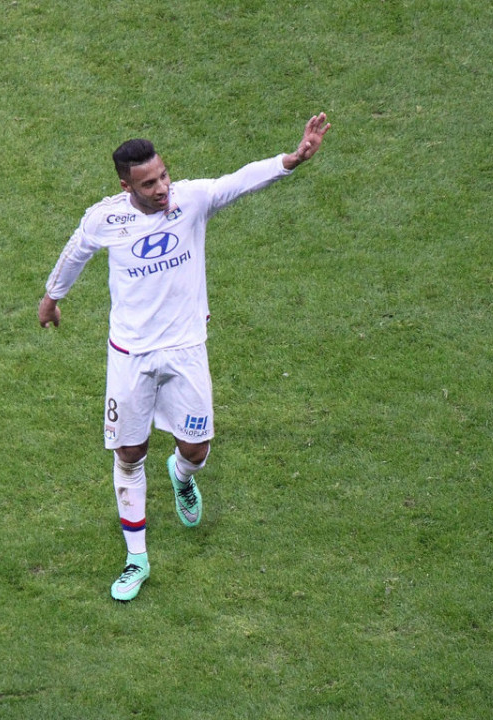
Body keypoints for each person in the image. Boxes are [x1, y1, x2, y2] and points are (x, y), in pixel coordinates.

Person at [38, 113, 330, 601]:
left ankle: (181, 476)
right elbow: (76, 252)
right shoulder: (105, 218)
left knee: (196, 450)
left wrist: (292, 159)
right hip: (130, 357)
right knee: (129, 454)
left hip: (186, 352)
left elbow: (239, 181)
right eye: (149, 182)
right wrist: (52, 297)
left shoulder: (191, 201)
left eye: (164, 175)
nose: (161, 188)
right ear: (125, 185)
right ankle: (137, 559)